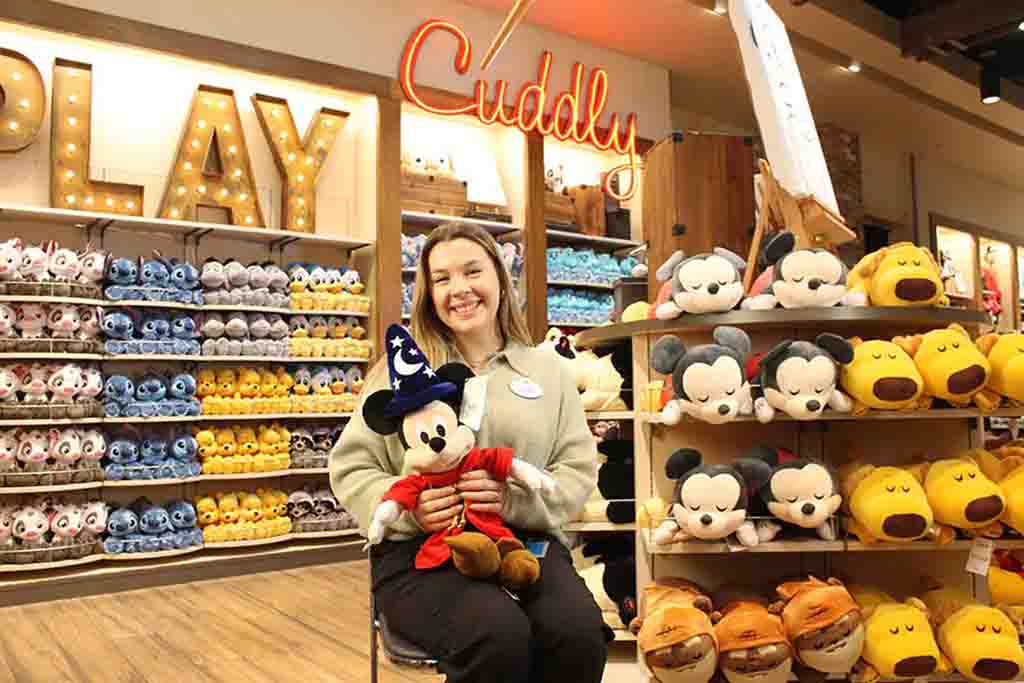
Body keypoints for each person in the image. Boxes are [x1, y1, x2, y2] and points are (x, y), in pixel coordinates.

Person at [330, 222, 607, 683]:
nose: (459, 289)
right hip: (420, 553)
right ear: (427, 292)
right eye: (442, 279)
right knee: (497, 636)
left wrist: (514, 501)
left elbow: (576, 470)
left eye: (472, 271)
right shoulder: (400, 372)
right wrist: (409, 508)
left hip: (525, 543)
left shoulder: (548, 372)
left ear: (500, 277)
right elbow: (352, 466)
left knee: (577, 634)